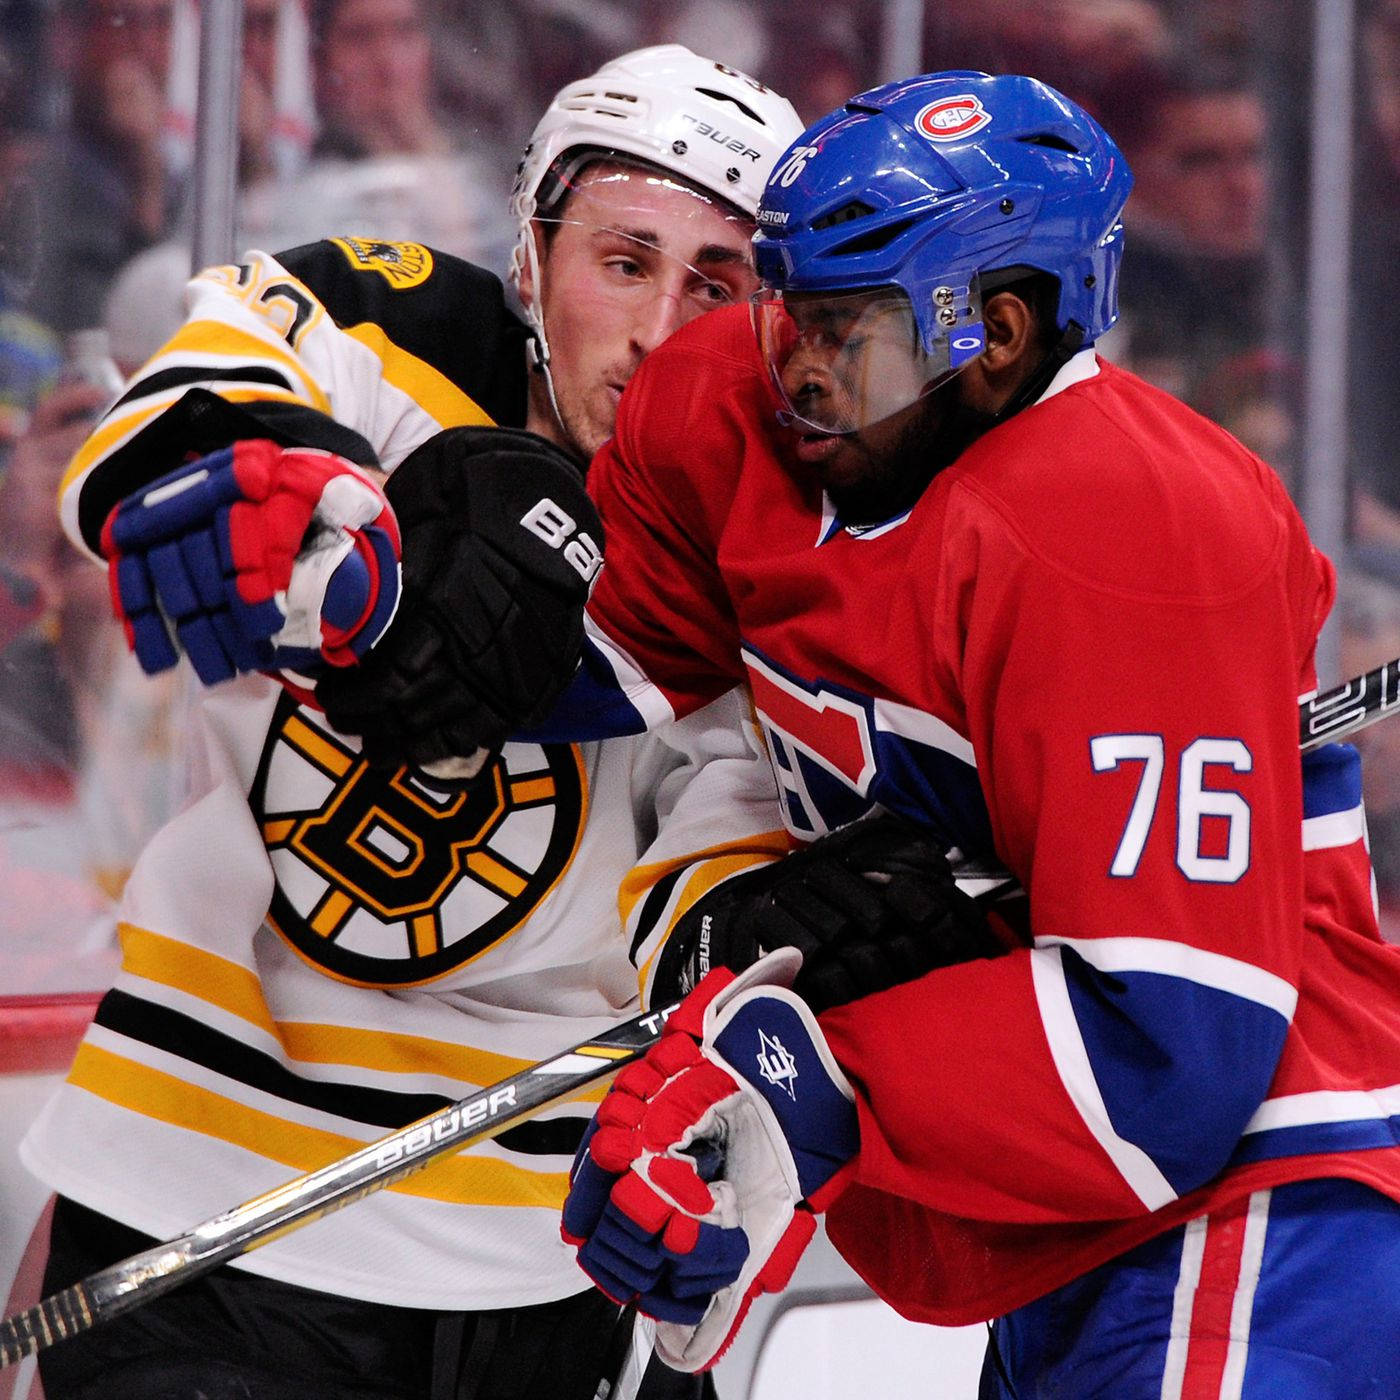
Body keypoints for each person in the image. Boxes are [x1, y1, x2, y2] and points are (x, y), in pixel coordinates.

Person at [493, 72, 1399, 1394]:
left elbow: (1173, 1049)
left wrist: (805, 1077)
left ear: (1001, 334)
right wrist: (395, 607)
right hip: (1059, 1232)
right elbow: (590, 674)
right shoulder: (752, 419)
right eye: (788, 306)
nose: (794, 360)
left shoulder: (1132, 526)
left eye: (849, 327)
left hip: (1252, 1217)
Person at [22, 45, 802, 1400]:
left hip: (537, 1267)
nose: (659, 326)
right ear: (533, 250)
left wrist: (727, 1103)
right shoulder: (395, 330)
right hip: (196, 1205)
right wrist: (276, 514)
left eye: (716, 284)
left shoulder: (775, 519)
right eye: (625, 260)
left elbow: (729, 866)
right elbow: (196, 391)